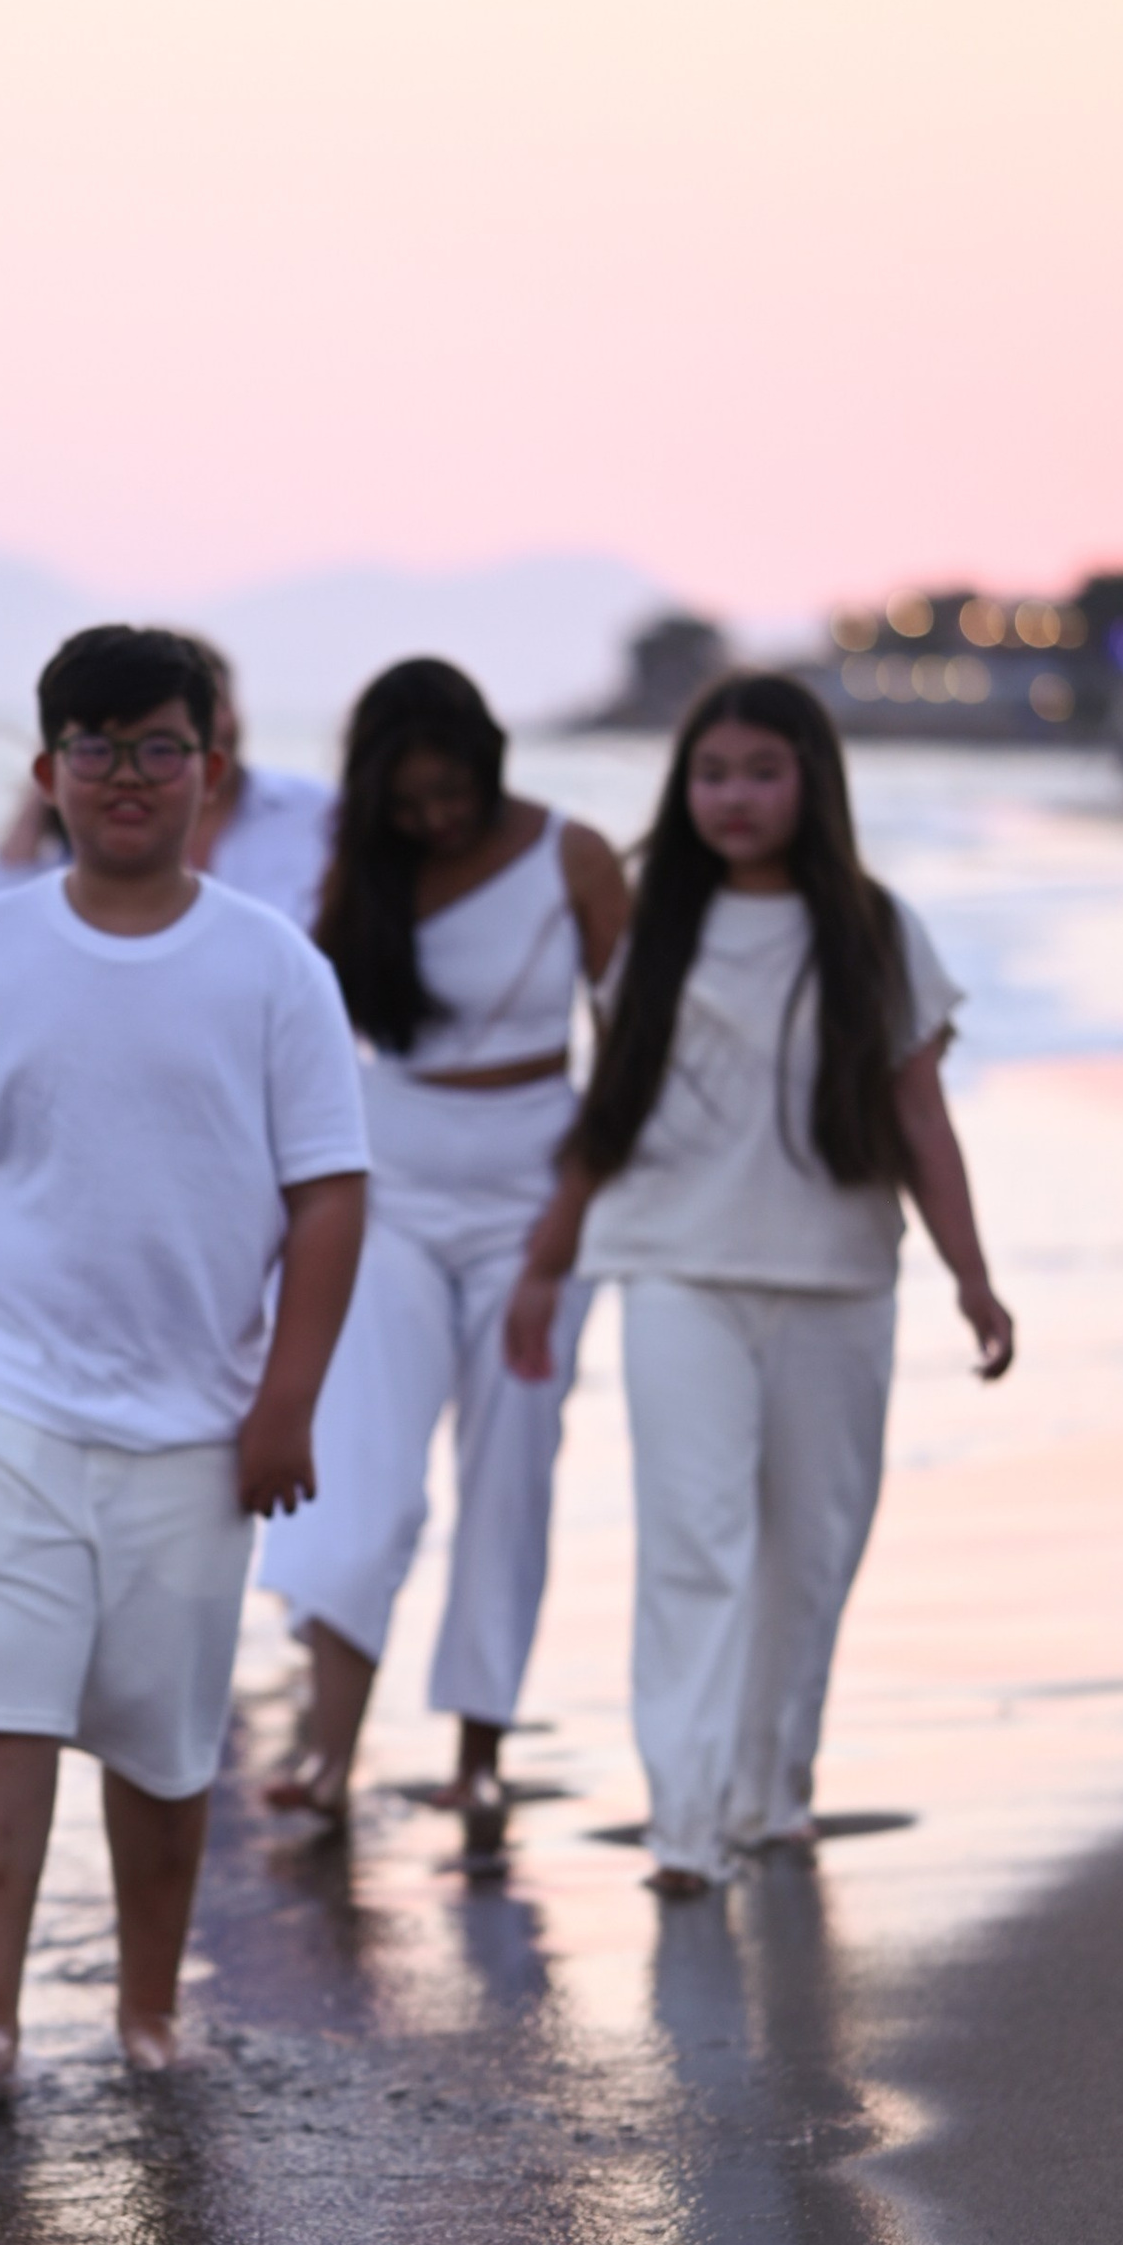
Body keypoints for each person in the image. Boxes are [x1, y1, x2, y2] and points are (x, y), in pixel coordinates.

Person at [0, 622, 368, 2109]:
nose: (129, 775)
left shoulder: (272, 967)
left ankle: (149, 2012)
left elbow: (329, 1194)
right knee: (1, 1697)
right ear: (48, 773)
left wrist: (286, 1399)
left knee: (163, 1736)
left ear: (211, 772)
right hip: (3, 1396)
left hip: (197, 1423)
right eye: (97, 748)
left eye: (161, 747)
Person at [505, 674, 1014, 1896]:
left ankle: (772, 1790)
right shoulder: (652, 932)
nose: (733, 796)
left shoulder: (877, 930)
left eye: (761, 772)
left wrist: (972, 1277)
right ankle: (683, 1824)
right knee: (691, 1539)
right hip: (676, 1268)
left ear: (810, 785)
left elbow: (918, 1118)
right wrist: (544, 1262)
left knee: (811, 1548)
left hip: (837, 1277)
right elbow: (606, 1113)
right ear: (684, 792)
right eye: (711, 774)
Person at [260, 660, 628, 1839]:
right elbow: (315, 1042)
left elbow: (631, 1060)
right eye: (408, 800)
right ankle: (329, 1752)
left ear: (488, 757)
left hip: (536, 1197)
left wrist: (563, 1233)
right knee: (358, 1471)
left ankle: (479, 1754)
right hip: (390, 1194)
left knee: (510, 1470)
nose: (435, 818)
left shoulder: (575, 856)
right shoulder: (367, 870)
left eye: (451, 791)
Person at [0, 632, 333, 928]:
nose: (128, 775)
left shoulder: (317, 810)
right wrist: (63, 770)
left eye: (162, 746)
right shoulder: (98, 822)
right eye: (103, 745)